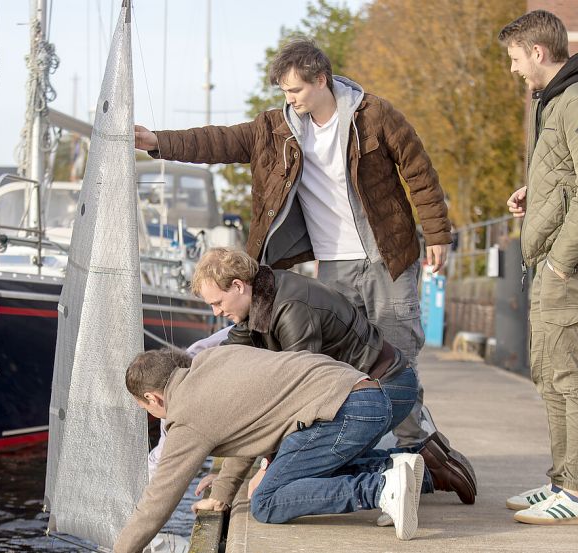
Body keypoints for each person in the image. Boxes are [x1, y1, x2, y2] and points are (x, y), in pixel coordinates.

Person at [133, 38, 451, 452]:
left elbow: (419, 172)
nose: (290, 99)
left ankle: (418, 447)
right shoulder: (276, 130)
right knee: (342, 364)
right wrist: (156, 140)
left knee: (398, 358)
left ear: (322, 79)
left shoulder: (373, 116)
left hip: (387, 257)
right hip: (333, 263)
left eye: (296, 90)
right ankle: (356, 450)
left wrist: (439, 233)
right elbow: (217, 142)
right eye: (284, 91)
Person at [190, 247, 476, 505]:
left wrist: (268, 470)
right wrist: (226, 483)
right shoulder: (259, 304)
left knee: (293, 477)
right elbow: (227, 369)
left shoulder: (291, 309)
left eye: (217, 303)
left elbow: (294, 400)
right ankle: (425, 462)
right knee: (303, 467)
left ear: (238, 286)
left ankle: (425, 473)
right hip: (363, 390)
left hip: (387, 387)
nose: (217, 312)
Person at [498, 10, 578, 525]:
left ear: (537, 51)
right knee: (550, 372)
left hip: (577, 264)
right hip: (560, 259)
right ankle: (560, 483)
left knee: (572, 374)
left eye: (514, 58)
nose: (512, 69)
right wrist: (541, 193)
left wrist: (559, 261)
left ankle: (576, 495)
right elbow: (575, 174)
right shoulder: (559, 101)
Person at [114, 346, 423, 553]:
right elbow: (248, 431)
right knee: (292, 471)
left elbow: (157, 501)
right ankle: (395, 466)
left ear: (153, 398)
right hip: (368, 393)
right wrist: (222, 493)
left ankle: (382, 489)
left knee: (267, 502)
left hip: (344, 412)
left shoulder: (186, 417)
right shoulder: (213, 359)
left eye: (145, 408)